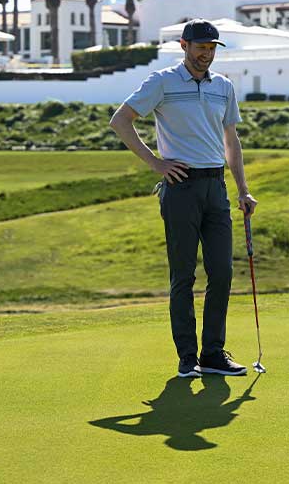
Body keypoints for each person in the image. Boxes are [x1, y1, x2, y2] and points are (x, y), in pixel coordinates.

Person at [109, 19, 257, 378]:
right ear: (184, 45)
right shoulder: (162, 81)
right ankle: (187, 357)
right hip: (181, 188)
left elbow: (231, 141)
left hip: (216, 188)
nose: (206, 54)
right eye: (200, 47)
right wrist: (155, 163)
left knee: (221, 273)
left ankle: (212, 354)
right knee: (183, 277)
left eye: (211, 48)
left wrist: (243, 189)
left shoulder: (223, 86)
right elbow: (121, 120)